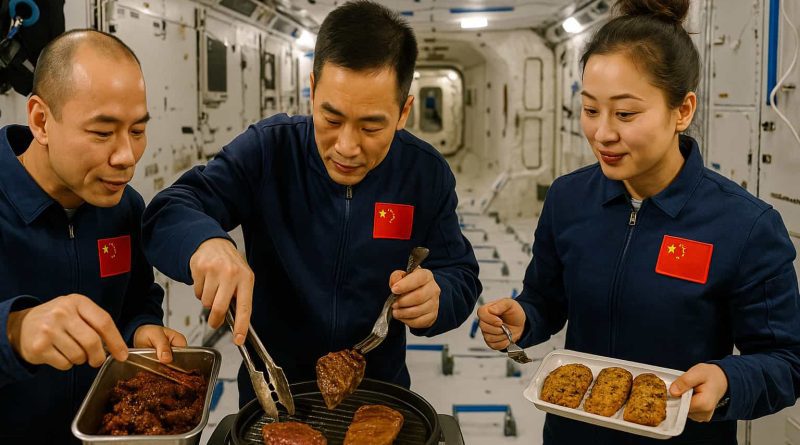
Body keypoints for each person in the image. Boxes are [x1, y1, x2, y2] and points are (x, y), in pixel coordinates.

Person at [478, 0, 800, 443]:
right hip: (574, 432)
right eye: (590, 110)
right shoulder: (569, 198)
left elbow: (785, 361)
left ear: (682, 111)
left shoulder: (744, 226)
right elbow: (546, 299)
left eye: (625, 114)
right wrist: (524, 317)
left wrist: (727, 382)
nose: (603, 133)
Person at [142, 0, 481, 406]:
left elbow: (460, 273)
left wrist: (438, 296)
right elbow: (168, 210)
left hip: (378, 393)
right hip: (273, 391)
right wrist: (204, 242)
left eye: (372, 125)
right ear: (313, 89)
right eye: (331, 119)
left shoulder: (424, 173)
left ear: (404, 111)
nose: (347, 147)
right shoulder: (270, 149)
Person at [0, 30, 187, 444]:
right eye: (102, 133)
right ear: (41, 120)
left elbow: (138, 297)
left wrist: (141, 329)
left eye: (137, 131)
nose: (126, 157)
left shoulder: (124, 208)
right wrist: (14, 332)